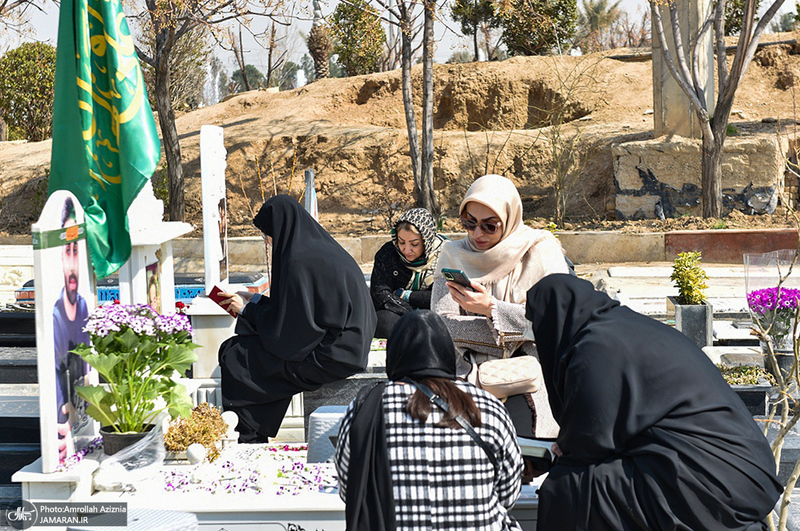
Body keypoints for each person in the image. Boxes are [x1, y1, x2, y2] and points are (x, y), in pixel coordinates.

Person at [526, 274, 782, 530]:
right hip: (749, 469)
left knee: (572, 485)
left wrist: (559, 452)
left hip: (715, 484)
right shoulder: (627, 327)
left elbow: (591, 441)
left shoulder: (594, 347)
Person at [335, 310, 523, 531]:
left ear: (393, 354)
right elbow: (509, 493)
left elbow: (349, 488)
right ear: (447, 352)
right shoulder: (489, 407)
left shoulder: (366, 407)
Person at [217, 195, 377, 442]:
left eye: (267, 234)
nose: (268, 242)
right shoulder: (317, 249)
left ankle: (250, 436)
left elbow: (291, 334)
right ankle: (254, 431)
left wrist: (247, 311)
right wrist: (256, 301)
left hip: (331, 355)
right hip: (346, 345)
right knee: (252, 352)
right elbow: (301, 315)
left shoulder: (297, 261)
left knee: (237, 355)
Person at [431, 174, 569, 437]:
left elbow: (556, 322)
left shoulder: (541, 250)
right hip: (467, 372)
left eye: (489, 226)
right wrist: (515, 331)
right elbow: (443, 327)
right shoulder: (453, 254)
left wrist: (490, 308)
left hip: (528, 372)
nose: (477, 234)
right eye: (469, 223)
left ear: (509, 218)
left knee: (524, 441)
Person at [370, 208, 447, 338]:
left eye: (414, 244)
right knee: (383, 321)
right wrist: (411, 315)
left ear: (426, 240)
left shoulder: (445, 254)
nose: (406, 249)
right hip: (400, 313)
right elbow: (380, 293)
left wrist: (406, 295)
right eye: (401, 242)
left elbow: (440, 297)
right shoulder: (388, 253)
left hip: (434, 312)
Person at [53, 196, 91, 461]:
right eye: (67, 251)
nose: (73, 261)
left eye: (76, 250)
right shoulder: (56, 318)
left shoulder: (84, 306)